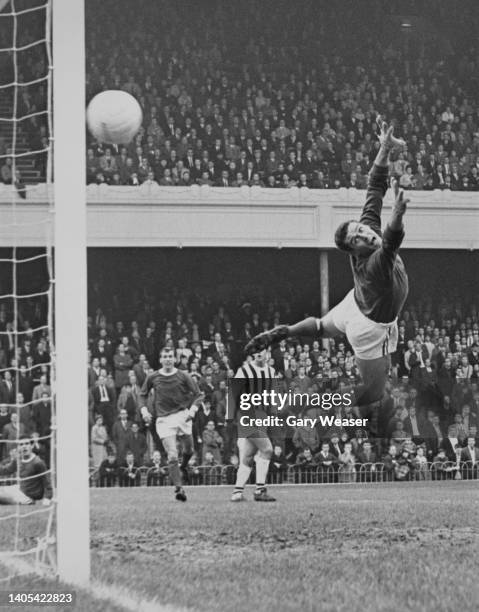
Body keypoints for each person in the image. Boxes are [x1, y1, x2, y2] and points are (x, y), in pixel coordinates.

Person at [245, 118, 409, 426]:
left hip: (353, 305)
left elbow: (375, 186)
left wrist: (384, 147)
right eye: (357, 239)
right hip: (370, 329)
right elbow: (390, 243)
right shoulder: (374, 264)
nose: (365, 235)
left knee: (320, 326)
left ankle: (286, 331)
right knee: (374, 392)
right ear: (354, 251)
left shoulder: (369, 228)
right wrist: (398, 215)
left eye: (361, 230)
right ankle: (347, 415)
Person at [139, 347, 202, 502]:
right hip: (164, 420)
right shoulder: (153, 377)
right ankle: (179, 489)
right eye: (164, 356)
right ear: (161, 360)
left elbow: (199, 395)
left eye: (170, 356)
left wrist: (192, 410)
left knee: (189, 450)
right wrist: (144, 411)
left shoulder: (183, 375)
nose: (167, 359)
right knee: (172, 455)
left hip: (182, 416)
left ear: (175, 359)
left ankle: (184, 466)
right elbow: (142, 395)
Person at [228, 349, 277, 502]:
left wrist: (273, 412)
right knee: (267, 449)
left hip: (262, 416)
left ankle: (237, 493)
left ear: (267, 353)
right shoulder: (244, 370)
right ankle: (260, 490)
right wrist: (229, 416)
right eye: (256, 350)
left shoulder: (271, 371)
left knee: (248, 457)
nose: (258, 353)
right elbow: (233, 393)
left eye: (261, 349)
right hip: (247, 415)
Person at [0, 438, 52, 505]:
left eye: (27, 443)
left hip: (28, 497)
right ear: (18, 448)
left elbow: (48, 484)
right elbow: (6, 470)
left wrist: (47, 499)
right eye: (21, 444)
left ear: (31, 446)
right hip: (19, 489)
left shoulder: (38, 463)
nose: (24, 446)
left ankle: (29, 502)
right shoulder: (18, 459)